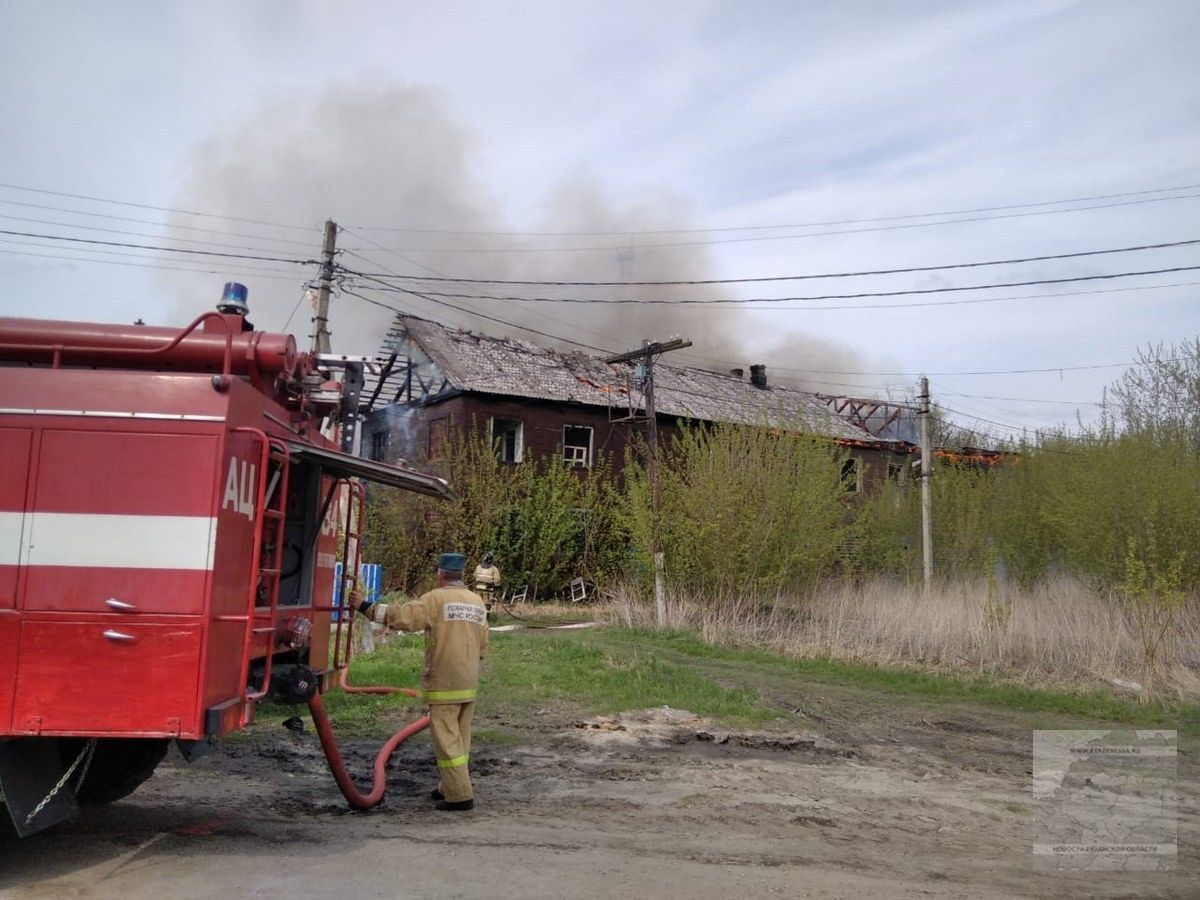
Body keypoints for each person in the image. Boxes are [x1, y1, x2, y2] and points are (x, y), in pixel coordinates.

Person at [356, 552, 488, 811]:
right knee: (460, 737)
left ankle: (460, 795)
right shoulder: (476, 601)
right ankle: (449, 785)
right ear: (461, 574)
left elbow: (403, 616)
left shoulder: (436, 599)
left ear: (440, 573)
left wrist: (365, 608)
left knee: (446, 739)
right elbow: (483, 643)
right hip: (468, 680)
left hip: (445, 681)